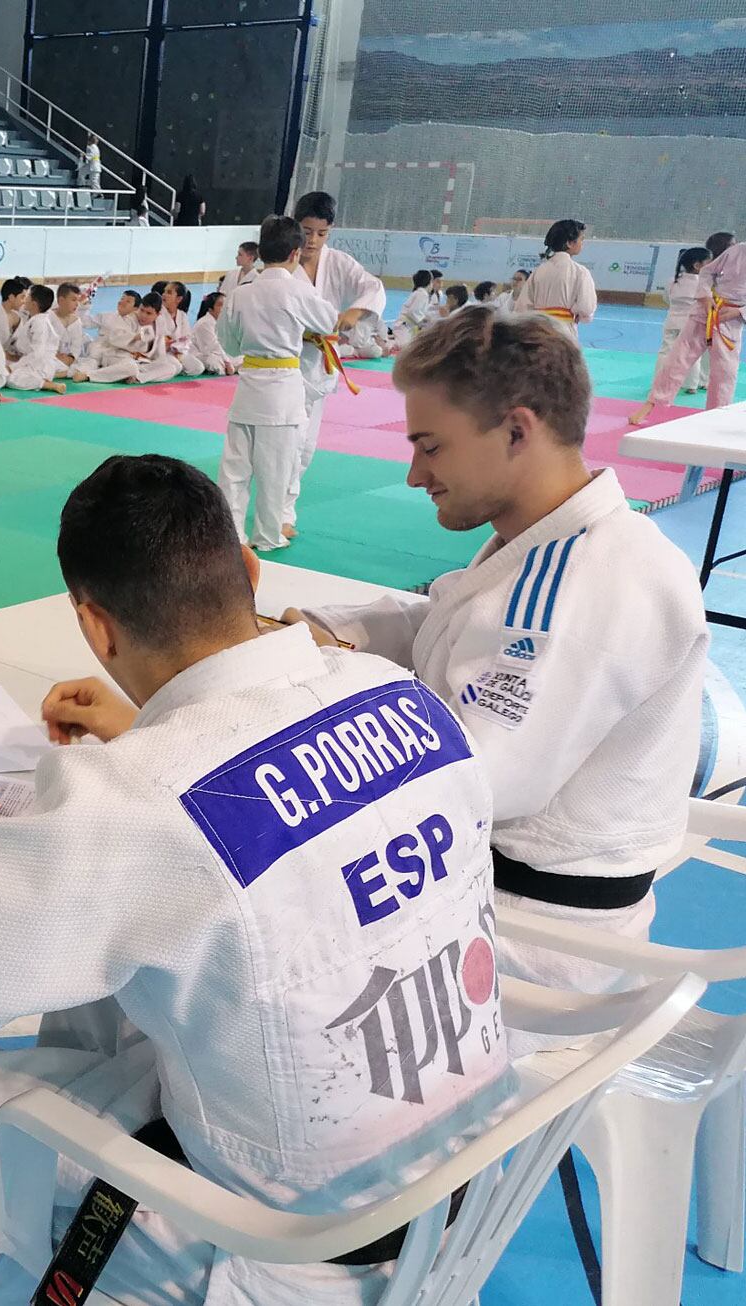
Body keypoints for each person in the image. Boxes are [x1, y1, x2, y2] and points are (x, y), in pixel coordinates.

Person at [0, 451, 509, 1306]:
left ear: (95, 626)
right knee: (121, 985)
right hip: (460, 1181)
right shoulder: (401, 695)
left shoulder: (143, 804)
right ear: (248, 569)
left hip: (288, 1248)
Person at [286, 308, 706, 1022]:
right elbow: (450, 619)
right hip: (507, 889)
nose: (415, 473)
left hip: (523, 939)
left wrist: (292, 707)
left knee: (226, 946)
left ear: (517, 430)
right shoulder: (562, 540)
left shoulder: (585, 587)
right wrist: (322, 635)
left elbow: (471, 780)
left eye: (431, 446)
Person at [218, 215, 337, 552]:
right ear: (296, 253)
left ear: (260, 251)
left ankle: (231, 536)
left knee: (234, 470)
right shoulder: (298, 290)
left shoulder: (241, 293)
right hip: (283, 390)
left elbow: (228, 345)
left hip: (248, 387)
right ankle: (267, 535)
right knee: (276, 470)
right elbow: (328, 321)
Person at [286, 191, 386, 539]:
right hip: (286, 362)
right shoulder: (282, 261)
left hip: (320, 363)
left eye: (320, 233)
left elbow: (372, 286)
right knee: (287, 443)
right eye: (306, 230)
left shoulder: (339, 263)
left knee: (306, 447)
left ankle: (284, 511)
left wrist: (356, 311)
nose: (312, 240)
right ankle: (280, 514)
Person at [633, 236, 744, 424]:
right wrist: (706, 296)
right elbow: (707, 272)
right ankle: (650, 404)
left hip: (730, 320)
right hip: (704, 312)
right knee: (678, 358)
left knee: (725, 372)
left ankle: (716, 417)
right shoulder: (739, 250)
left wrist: (738, 312)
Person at [513, 219, 596, 337]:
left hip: (539, 332)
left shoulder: (538, 271)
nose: (582, 243)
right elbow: (586, 308)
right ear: (569, 243)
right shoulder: (580, 272)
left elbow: (522, 308)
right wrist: (575, 312)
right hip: (564, 332)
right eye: (581, 239)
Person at [656, 247, 712, 396]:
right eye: (709, 263)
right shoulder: (703, 284)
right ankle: (691, 385)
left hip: (672, 321)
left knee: (665, 352)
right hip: (692, 323)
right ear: (697, 265)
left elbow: (666, 299)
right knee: (691, 354)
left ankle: (659, 382)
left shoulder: (672, 281)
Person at [7, 283, 70, 395]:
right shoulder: (36, 319)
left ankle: (48, 384)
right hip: (34, 362)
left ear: (34, 304)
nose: (25, 299)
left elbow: (38, 353)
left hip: (39, 365)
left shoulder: (39, 322)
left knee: (9, 378)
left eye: (28, 297)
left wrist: (14, 367)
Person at [187, 291, 238, 376]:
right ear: (210, 308)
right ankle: (229, 368)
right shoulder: (205, 323)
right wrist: (228, 362)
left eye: (225, 305)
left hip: (220, 354)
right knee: (213, 362)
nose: (224, 308)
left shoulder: (223, 321)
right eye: (220, 305)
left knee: (242, 357)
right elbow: (213, 347)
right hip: (203, 354)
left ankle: (230, 367)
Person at [393, 270, 435, 349]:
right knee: (403, 346)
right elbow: (412, 312)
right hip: (404, 326)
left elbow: (419, 312)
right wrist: (423, 322)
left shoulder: (420, 293)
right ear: (428, 282)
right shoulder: (422, 294)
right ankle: (386, 342)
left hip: (408, 327)